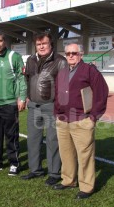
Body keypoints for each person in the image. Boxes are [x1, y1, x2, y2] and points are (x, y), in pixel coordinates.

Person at [53, 43, 109, 199]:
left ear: (81, 54)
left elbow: (102, 92)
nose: (71, 55)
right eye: (68, 53)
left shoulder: (90, 71)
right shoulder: (62, 72)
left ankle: (87, 187)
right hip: (63, 120)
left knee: (85, 155)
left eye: (74, 53)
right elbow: (57, 93)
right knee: (66, 154)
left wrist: (93, 117)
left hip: (82, 120)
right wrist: (56, 112)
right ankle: (68, 180)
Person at [21, 32, 67, 186]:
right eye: (38, 44)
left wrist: (60, 107)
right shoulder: (30, 60)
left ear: (50, 44)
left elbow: (65, 87)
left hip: (52, 107)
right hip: (34, 106)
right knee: (33, 140)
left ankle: (54, 173)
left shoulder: (60, 61)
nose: (41, 47)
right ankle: (35, 170)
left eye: (44, 44)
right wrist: (28, 96)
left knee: (53, 141)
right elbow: (27, 79)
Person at [0, 31, 26, 176]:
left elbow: (21, 78)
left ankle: (14, 163)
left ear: (5, 41)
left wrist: (22, 97)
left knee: (11, 135)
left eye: (0, 41)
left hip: (9, 103)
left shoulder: (13, 56)